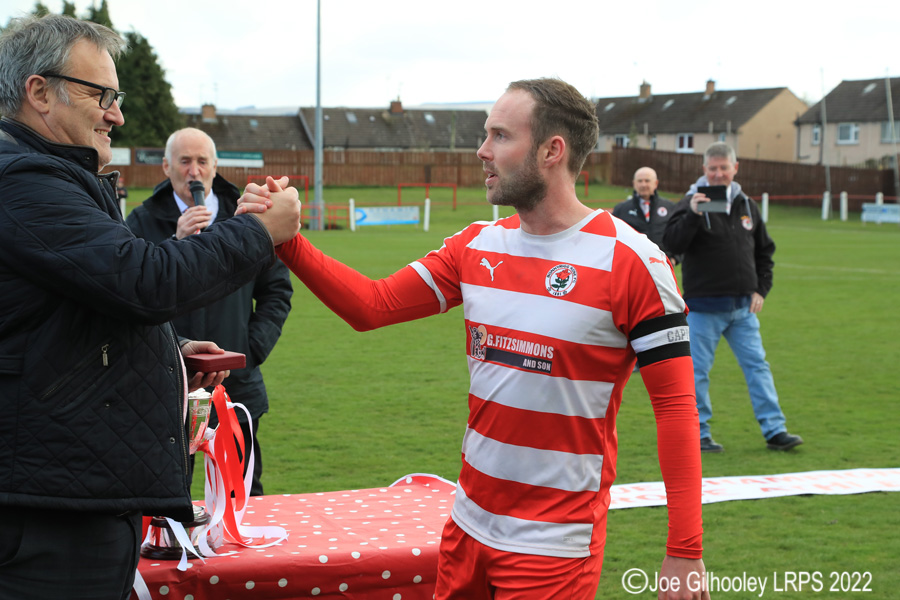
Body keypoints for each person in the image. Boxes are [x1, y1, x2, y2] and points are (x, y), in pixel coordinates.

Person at [241, 78, 708, 599]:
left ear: (552, 151)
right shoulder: (476, 246)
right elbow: (372, 305)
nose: (482, 151)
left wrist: (685, 551)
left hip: (552, 549)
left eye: (500, 136)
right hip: (465, 531)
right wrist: (287, 241)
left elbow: (676, 409)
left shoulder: (634, 261)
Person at [0, 15, 299, 599]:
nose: (116, 115)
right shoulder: (24, 180)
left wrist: (169, 351)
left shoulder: (46, 175)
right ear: (39, 92)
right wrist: (259, 233)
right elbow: (143, 280)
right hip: (47, 507)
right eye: (102, 95)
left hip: (64, 492)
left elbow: (75, 307)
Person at [127, 127, 293, 496]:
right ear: (166, 166)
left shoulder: (248, 218)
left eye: (202, 161)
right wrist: (174, 244)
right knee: (167, 498)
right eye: (184, 161)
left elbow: (277, 291)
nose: (194, 171)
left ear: (215, 167)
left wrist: (251, 348)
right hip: (167, 380)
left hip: (236, 382)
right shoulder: (141, 222)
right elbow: (128, 292)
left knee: (241, 493)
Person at [662, 142, 802, 454]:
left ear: (735, 168)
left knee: (758, 368)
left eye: (724, 168)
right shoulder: (689, 203)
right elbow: (671, 244)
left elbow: (765, 252)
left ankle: (775, 431)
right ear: (704, 170)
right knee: (696, 373)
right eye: (712, 168)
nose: (718, 174)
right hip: (703, 309)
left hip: (743, 310)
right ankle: (699, 433)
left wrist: (761, 289)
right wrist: (693, 214)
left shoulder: (747, 205)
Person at [612, 166, 680, 264]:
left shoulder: (670, 207)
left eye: (647, 181)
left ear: (656, 183)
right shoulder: (621, 209)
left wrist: (675, 259)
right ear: (634, 183)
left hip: (662, 265)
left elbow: (681, 234)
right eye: (640, 181)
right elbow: (613, 239)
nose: (643, 184)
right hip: (633, 264)